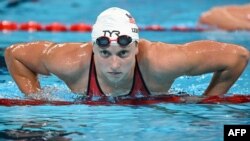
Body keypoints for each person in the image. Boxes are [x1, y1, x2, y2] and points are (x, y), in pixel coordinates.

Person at [4, 7, 250, 99]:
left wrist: (210, 99)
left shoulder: (163, 60)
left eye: (123, 53)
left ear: (136, 47)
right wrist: (33, 100)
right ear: (92, 48)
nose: (113, 63)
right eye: (104, 53)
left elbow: (238, 55)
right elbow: (15, 54)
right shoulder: (70, 61)